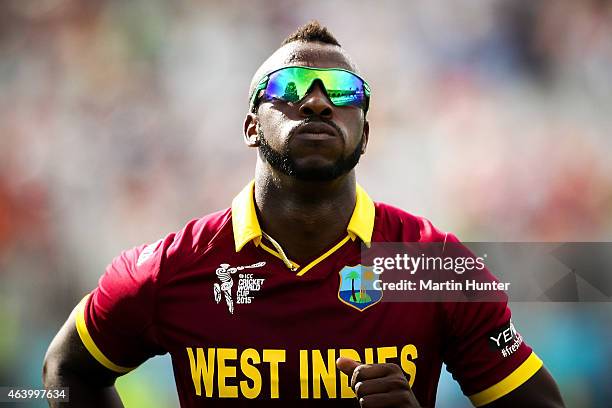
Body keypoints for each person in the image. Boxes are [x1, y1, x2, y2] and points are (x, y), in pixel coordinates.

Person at [43, 21, 565, 407]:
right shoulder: (169, 270)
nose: (316, 103)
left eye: (342, 93)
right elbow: (66, 369)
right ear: (251, 125)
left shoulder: (430, 265)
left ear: (365, 130)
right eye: (289, 89)